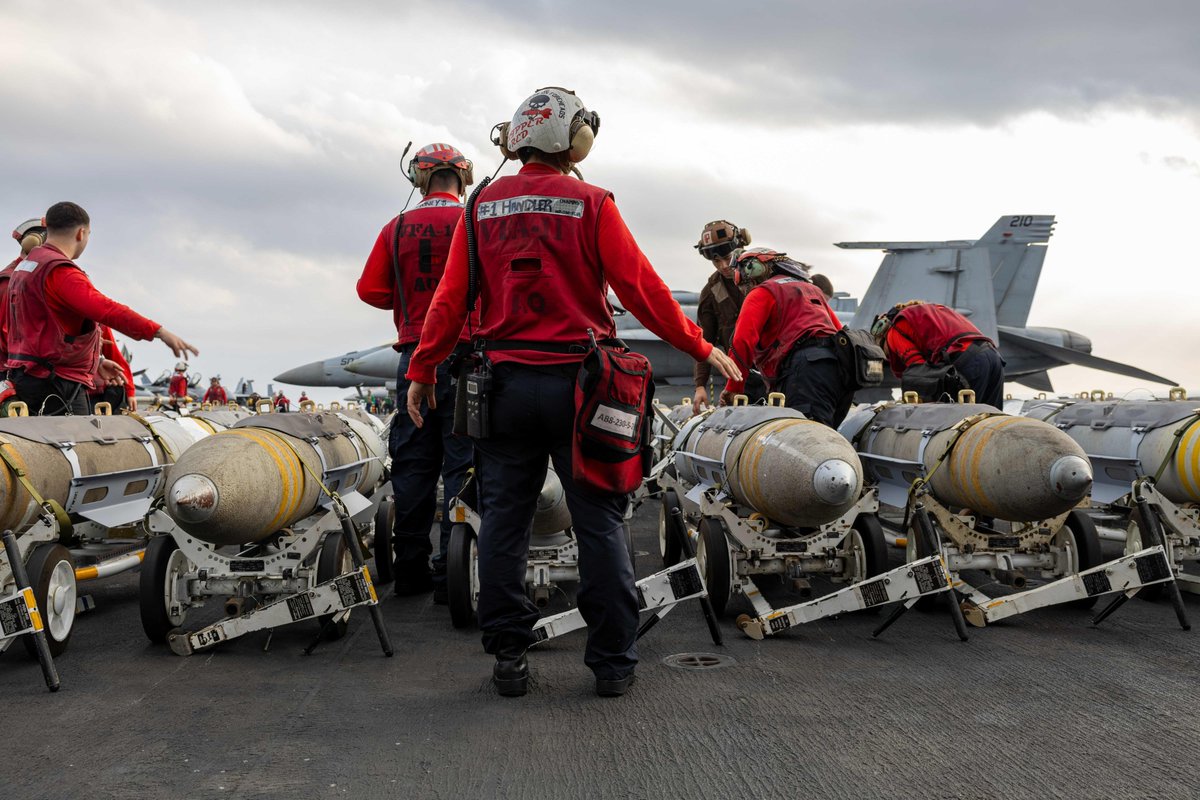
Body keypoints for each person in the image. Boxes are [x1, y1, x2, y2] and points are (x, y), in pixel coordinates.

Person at [406, 87, 739, 698]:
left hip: (501, 388)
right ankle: (612, 664)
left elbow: (449, 302)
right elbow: (641, 288)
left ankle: (509, 656)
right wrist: (698, 345)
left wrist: (423, 370)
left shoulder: (478, 206)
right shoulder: (592, 202)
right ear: (574, 137)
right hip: (585, 391)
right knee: (600, 523)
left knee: (503, 524)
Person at [357, 141, 477, 600]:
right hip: (469, 362)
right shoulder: (474, 221)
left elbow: (370, 290)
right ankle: (453, 576)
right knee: (464, 468)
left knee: (412, 469)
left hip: (414, 360)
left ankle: (410, 573)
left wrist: (410, 301)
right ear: (462, 178)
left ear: (419, 179)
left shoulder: (396, 226)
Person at [4, 202, 197, 415]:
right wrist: (158, 331)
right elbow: (106, 310)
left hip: (27, 376)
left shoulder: (24, 268)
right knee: (80, 445)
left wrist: (97, 363)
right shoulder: (60, 271)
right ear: (81, 233)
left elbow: (40, 332)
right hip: (55, 383)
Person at [720, 248, 854, 427]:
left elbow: (742, 341)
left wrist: (733, 389)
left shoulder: (762, 292)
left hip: (805, 373)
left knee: (805, 440)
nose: (743, 289)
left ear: (752, 271)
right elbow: (840, 333)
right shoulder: (812, 290)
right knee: (825, 436)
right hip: (840, 374)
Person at [870, 300, 1005, 408]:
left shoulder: (894, 331)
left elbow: (918, 372)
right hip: (993, 356)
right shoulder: (933, 310)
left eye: (884, 351)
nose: (888, 357)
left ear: (882, 336)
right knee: (991, 422)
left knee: (958, 425)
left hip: (968, 362)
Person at [691, 220, 763, 412]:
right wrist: (700, 386)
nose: (723, 266)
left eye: (727, 257)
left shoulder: (763, 277)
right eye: (716, 261)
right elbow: (703, 341)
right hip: (739, 378)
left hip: (773, 371)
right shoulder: (711, 292)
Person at [89, 325, 136, 412]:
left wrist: (130, 392)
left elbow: (116, 359)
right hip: (70, 388)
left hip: (95, 394)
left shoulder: (101, 325)